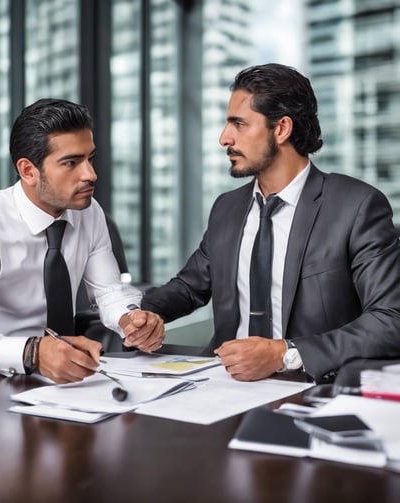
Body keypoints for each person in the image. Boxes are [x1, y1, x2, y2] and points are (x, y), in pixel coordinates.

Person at [141, 63, 400, 384]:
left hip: (311, 388)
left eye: (239, 124)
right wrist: (147, 313)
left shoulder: (356, 205)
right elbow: (188, 287)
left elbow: (390, 319)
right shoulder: (227, 207)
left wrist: (285, 353)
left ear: (281, 129)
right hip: (222, 385)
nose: (224, 138)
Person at [0, 98, 164, 383]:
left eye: (90, 158)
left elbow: (109, 292)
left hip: (74, 376)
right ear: (28, 171)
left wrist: (130, 320)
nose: (90, 175)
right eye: (71, 163)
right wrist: (33, 353)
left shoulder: (89, 212)